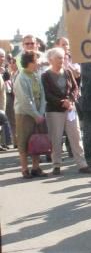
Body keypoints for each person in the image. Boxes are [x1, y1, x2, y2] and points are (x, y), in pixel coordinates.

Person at [41, 48, 91, 176]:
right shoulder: (45, 75)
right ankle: (56, 165)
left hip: (70, 109)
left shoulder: (68, 72)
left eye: (63, 57)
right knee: (56, 138)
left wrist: (70, 100)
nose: (62, 60)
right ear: (50, 60)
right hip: (54, 111)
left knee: (76, 137)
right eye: (59, 58)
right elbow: (47, 94)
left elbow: (75, 88)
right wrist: (61, 102)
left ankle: (82, 164)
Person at [14, 51, 48, 179]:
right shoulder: (21, 78)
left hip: (37, 114)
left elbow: (43, 95)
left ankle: (36, 167)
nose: (38, 63)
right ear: (29, 62)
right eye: (35, 61)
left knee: (36, 140)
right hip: (24, 114)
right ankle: (24, 169)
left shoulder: (36, 75)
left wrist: (41, 112)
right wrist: (35, 114)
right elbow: (25, 100)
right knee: (24, 141)